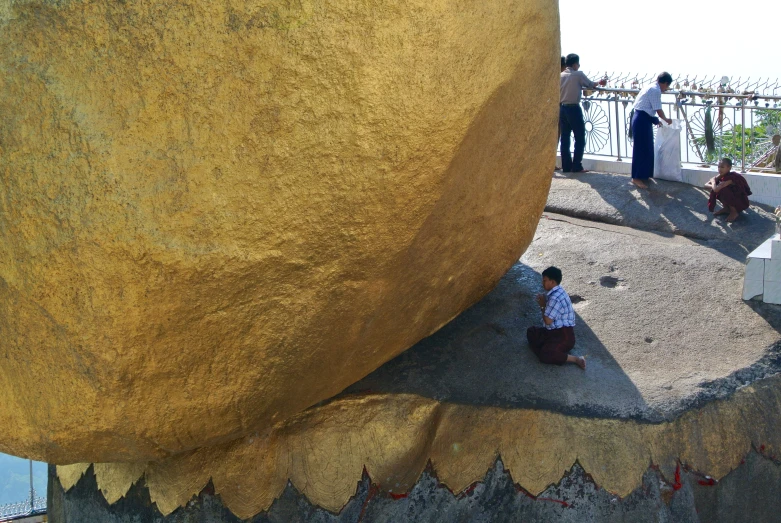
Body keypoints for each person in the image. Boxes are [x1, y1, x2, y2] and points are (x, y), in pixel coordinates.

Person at [526, 267, 585, 369]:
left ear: (552, 282)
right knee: (531, 331)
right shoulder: (558, 290)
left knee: (545, 354)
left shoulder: (555, 298)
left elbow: (548, 321)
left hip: (564, 336)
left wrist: (542, 305)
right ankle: (551, 350)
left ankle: (575, 359)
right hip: (552, 332)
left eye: (544, 280)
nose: (542, 283)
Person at [559, 54, 606, 173]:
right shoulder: (578, 74)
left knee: (565, 138)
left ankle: (566, 166)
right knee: (579, 137)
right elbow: (590, 84)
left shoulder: (560, 75)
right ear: (575, 64)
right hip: (574, 108)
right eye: (578, 64)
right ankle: (576, 166)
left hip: (562, 108)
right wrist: (599, 82)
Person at [630, 72, 674, 189]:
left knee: (647, 148)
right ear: (665, 83)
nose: (666, 89)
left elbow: (647, 108)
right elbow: (658, 109)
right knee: (640, 149)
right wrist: (665, 119)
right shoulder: (655, 90)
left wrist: (655, 120)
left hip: (643, 118)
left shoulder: (650, 86)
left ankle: (644, 174)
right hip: (641, 120)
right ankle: (636, 177)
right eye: (667, 86)